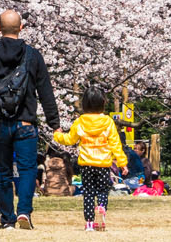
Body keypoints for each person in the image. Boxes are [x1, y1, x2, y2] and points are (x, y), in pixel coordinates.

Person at [0, 9, 60, 230]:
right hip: (25, 123)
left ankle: (7, 219)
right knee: (27, 170)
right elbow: (45, 92)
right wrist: (54, 123)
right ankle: (24, 211)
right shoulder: (33, 56)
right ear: (21, 27)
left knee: (2, 171)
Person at [52, 87, 125, 233]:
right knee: (103, 190)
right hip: (103, 163)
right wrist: (122, 162)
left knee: (89, 192)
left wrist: (57, 135)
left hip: (86, 164)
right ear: (103, 103)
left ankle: (90, 223)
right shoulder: (108, 122)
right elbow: (115, 144)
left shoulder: (80, 122)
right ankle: (102, 207)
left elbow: (69, 139)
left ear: (84, 104)